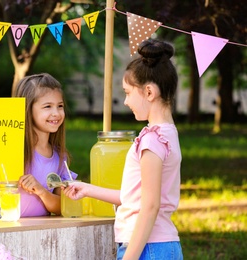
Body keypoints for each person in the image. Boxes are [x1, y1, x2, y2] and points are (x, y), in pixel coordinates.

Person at [63, 39, 183, 260]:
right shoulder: (168, 134)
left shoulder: (151, 140)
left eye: (128, 93)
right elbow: (136, 198)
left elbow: (149, 207)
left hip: (147, 249)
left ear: (148, 92)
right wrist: (87, 189)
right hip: (161, 246)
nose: (126, 101)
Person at [0, 73, 77, 217]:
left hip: (44, 232)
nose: (56, 113)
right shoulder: (9, 146)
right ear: (28, 109)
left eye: (60, 106)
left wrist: (41, 191)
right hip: (8, 230)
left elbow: (62, 207)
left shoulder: (60, 157)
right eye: (47, 106)